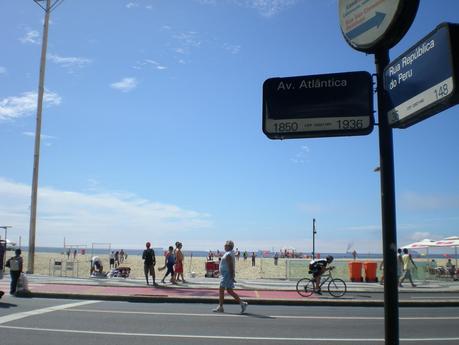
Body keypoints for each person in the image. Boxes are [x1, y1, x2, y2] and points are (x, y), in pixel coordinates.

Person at [212, 240, 248, 314]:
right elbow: (225, 264)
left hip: (227, 275)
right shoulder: (228, 253)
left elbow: (230, 266)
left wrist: (232, 276)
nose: (224, 246)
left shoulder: (228, 254)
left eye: (225, 245)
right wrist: (219, 271)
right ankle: (242, 304)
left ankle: (221, 307)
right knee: (229, 291)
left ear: (229, 246)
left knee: (221, 288)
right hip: (225, 274)